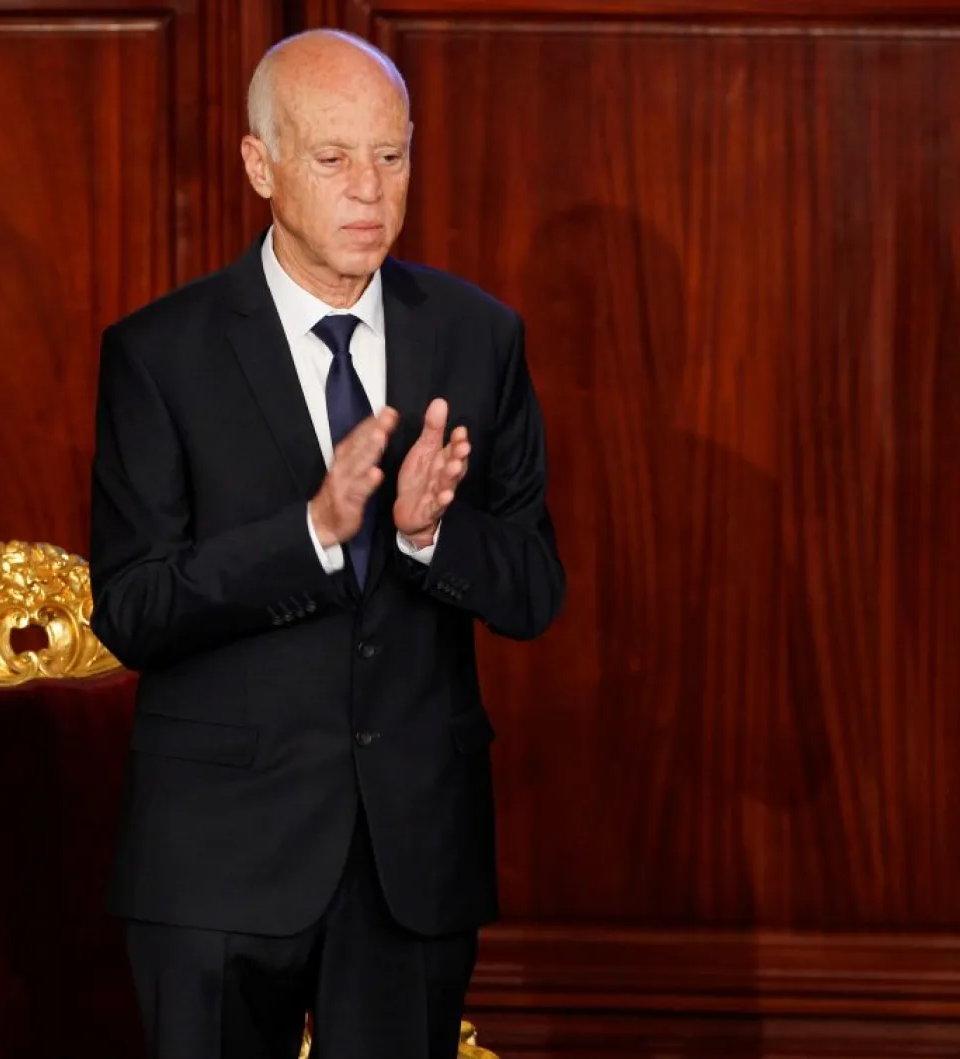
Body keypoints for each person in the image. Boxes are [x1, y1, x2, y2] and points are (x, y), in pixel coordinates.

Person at [88, 27, 565, 1059]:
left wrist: (433, 535)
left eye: (390, 157)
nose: (369, 190)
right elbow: (129, 610)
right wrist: (309, 534)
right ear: (260, 166)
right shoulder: (160, 354)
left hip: (413, 862)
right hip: (217, 859)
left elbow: (533, 589)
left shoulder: (480, 337)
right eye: (333, 157)